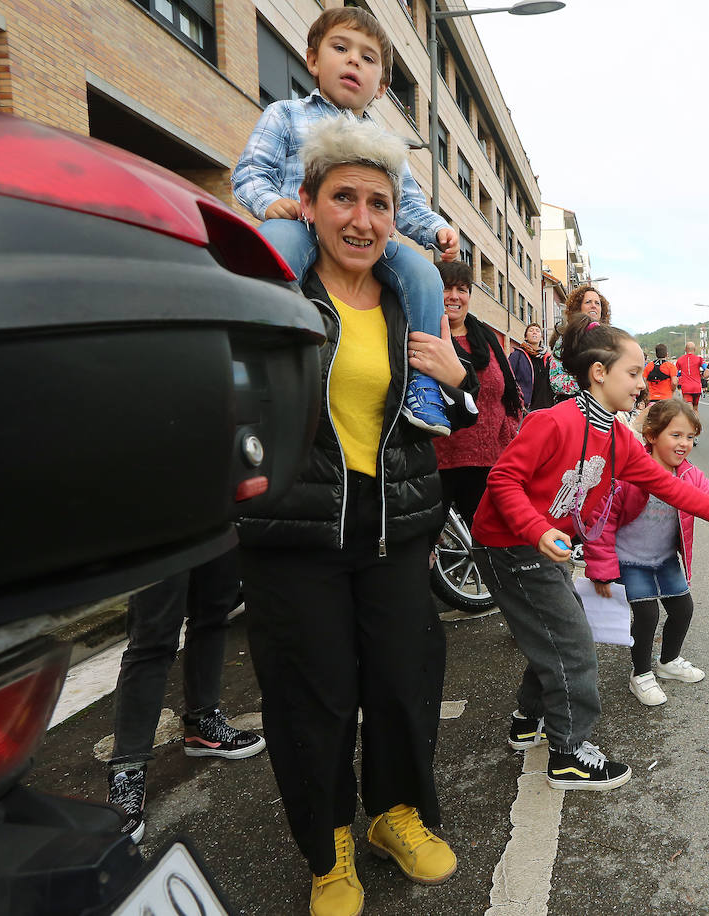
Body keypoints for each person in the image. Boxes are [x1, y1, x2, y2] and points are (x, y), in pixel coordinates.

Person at [235, 117, 478, 916]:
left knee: (405, 680)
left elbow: (456, 413)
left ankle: (397, 815)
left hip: (397, 529)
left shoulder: (411, 304)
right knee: (316, 695)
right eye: (343, 198)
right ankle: (329, 843)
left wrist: (458, 379)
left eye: (378, 202)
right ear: (309, 204)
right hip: (296, 535)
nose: (363, 218)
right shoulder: (279, 296)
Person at [471, 316, 709, 791]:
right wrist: (536, 531)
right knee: (571, 642)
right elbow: (502, 481)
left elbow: (675, 490)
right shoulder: (552, 421)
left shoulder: (616, 438)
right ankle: (569, 756)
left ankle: (527, 722)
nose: (643, 382)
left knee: (556, 631)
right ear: (599, 373)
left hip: (538, 545)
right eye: (633, 374)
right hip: (509, 545)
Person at [232, 6, 458, 438]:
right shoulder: (284, 114)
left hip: (371, 240)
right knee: (273, 246)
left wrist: (435, 229)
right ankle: (259, 349)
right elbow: (249, 174)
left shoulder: (384, 144)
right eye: (341, 48)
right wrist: (271, 203)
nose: (354, 60)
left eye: (368, 57)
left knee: (425, 275)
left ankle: (423, 381)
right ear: (313, 60)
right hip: (301, 224)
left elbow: (406, 204)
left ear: (381, 87)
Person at [583, 400, 709, 706]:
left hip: (665, 559)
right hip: (630, 560)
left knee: (683, 609)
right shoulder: (628, 474)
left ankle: (668, 660)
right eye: (676, 435)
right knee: (647, 614)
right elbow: (601, 523)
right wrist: (601, 569)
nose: (684, 443)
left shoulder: (689, 475)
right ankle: (641, 674)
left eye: (690, 437)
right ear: (651, 435)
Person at [105, 549, 265, 844]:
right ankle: (127, 768)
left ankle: (202, 721)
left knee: (213, 614)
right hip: (159, 523)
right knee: (152, 636)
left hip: (216, 517)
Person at [433, 260, 522, 527]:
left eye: (462, 289)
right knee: (425, 543)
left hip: (488, 458)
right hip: (437, 460)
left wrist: (511, 431)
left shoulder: (487, 338)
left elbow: (508, 389)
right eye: (446, 288)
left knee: (486, 542)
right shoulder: (424, 334)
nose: (454, 296)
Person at [548, 285, 611, 403]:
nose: (593, 305)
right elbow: (556, 381)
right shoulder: (565, 339)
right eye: (588, 302)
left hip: (603, 408)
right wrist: (589, 382)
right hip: (572, 407)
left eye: (597, 303)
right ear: (578, 308)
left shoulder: (610, 339)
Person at [509, 322, 554, 412]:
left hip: (545, 407)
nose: (534, 332)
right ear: (526, 337)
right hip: (525, 407)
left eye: (537, 331)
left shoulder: (548, 358)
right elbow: (509, 377)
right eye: (531, 331)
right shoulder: (517, 355)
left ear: (541, 337)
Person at [675, 340, 705, 409]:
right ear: (695, 349)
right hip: (697, 387)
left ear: (685, 349)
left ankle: (691, 419)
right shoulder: (699, 359)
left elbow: (675, 373)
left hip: (686, 388)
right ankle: (696, 419)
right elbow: (706, 368)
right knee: (695, 408)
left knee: (689, 409)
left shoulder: (680, 360)